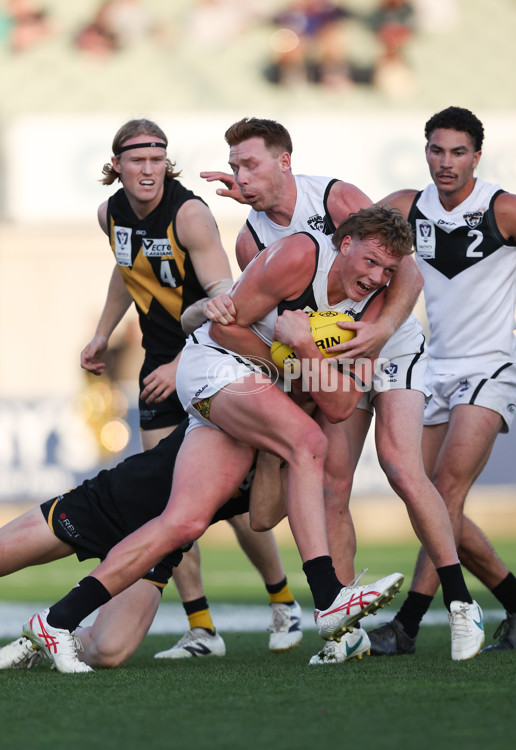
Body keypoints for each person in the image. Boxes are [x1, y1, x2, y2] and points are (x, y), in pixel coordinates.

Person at [21, 206, 409, 673]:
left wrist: (304, 348)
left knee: (182, 523)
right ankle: (328, 599)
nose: (377, 277)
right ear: (345, 245)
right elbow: (221, 326)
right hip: (213, 365)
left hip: (247, 390)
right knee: (309, 441)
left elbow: (343, 405)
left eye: (389, 270)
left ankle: (56, 621)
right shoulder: (300, 255)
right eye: (371, 261)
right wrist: (293, 359)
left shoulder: (375, 310)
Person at [198, 117, 483, 664]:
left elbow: (399, 265)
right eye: (235, 166)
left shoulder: (335, 198)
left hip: (385, 340)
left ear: (285, 161)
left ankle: (461, 603)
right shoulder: (251, 240)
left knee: (402, 466)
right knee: (331, 483)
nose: (241, 175)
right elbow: (268, 320)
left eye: (250, 163)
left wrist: (377, 331)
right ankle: (346, 628)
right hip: (329, 351)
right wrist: (287, 363)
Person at [368, 105, 516, 656]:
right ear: (425, 152)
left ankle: (409, 625)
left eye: (458, 152)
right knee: (426, 498)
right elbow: (349, 252)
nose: (446, 162)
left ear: (477, 156)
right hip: (431, 368)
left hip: (491, 366)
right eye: (437, 150)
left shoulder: (504, 208)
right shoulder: (402, 208)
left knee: (442, 494)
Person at [79, 118, 302, 659]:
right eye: (137, 161)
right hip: (158, 370)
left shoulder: (191, 214)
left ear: (166, 162)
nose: (149, 169)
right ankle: (202, 629)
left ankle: (283, 602)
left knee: (226, 499)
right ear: (117, 166)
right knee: (167, 507)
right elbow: (124, 271)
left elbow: (229, 301)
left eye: (157, 159)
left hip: (206, 361)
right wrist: (103, 334)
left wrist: (181, 360)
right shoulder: (110, 214)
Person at [0, 421, 285, 672]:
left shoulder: (303, 445)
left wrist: (274, 454)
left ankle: (36, 643)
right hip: (111, 503)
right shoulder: (242, 394)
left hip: (158, 545)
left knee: (107, 651)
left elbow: (263, 517)